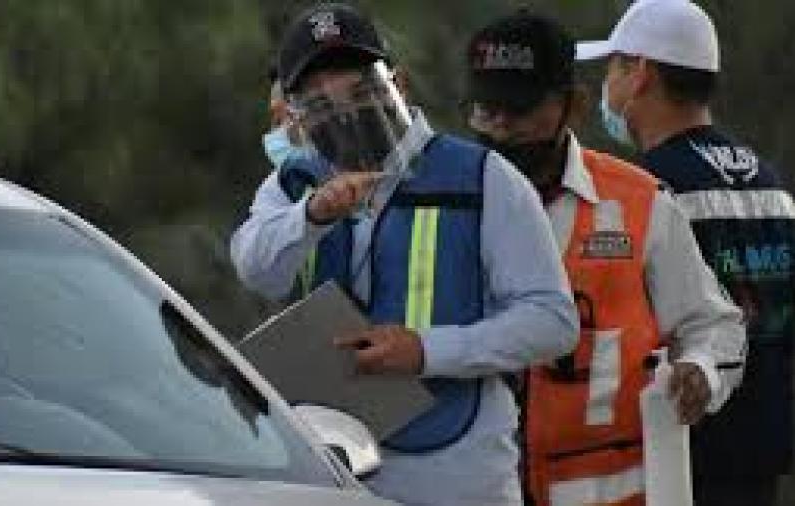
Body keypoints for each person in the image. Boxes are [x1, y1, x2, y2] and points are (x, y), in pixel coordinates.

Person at [230, 3, 579, 505]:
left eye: (361, 90)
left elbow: (553, 321)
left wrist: (427, 351)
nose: (345, 113)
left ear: (399, 84)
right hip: (326, 473)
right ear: (297, 114)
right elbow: (256, 269)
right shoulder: (295, 184)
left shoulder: (484, 178)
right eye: (320, 103)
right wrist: (312, 215)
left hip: (455, 479)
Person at [466, 10, 747, 505]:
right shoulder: (441, 199)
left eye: (521, 111)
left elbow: (715, 324)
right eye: (488, 113)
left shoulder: (643, 203)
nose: (502, 130)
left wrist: (701, 370)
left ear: (571, 105)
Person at [577, 1, 795, 504]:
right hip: (762, 450)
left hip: (678, 447)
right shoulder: (770, 183)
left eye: (613, 66)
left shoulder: (649, 191)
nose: (607, 84)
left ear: (641, 74)